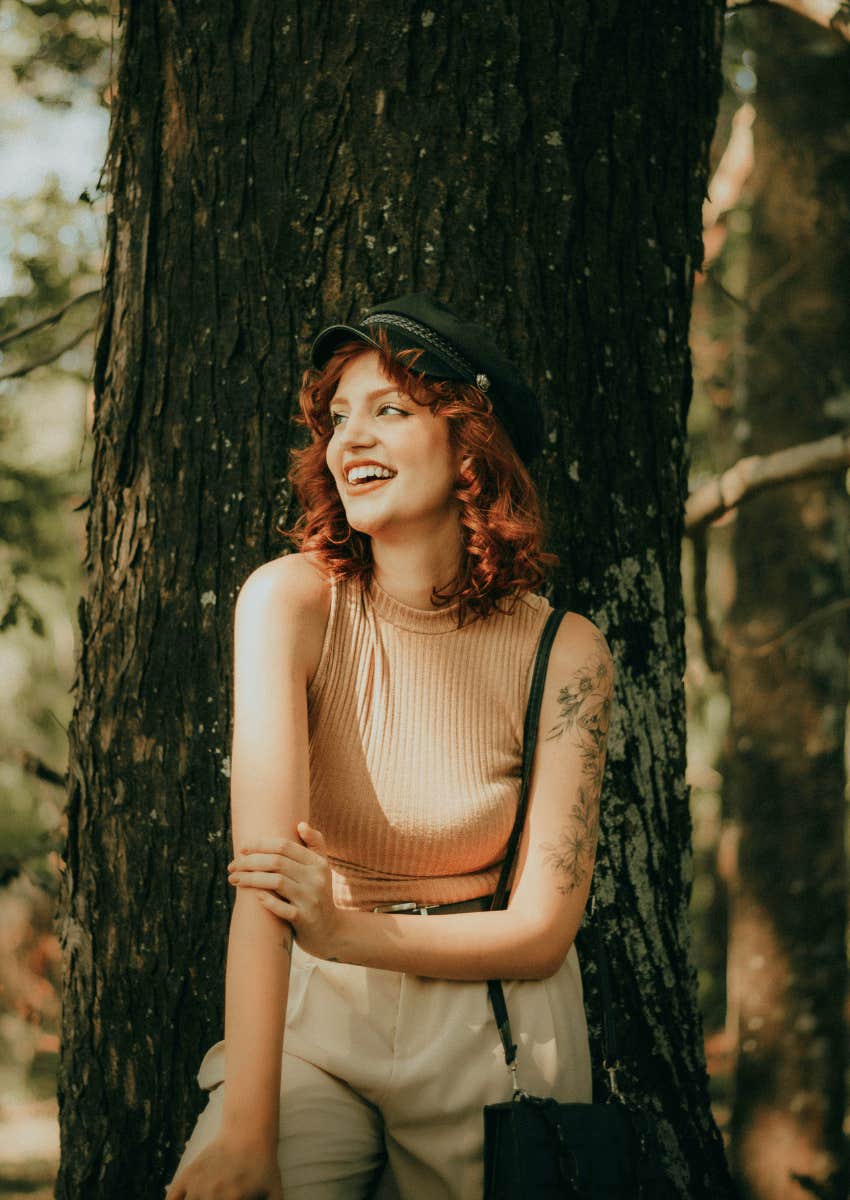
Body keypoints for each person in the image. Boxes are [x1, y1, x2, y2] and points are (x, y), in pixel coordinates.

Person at [166, 293, 614, 1200]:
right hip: (317, 1018)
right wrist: (250, 1130)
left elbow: (540, 934)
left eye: (390, 411)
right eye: (338, 418)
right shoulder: (288, 603)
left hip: (496, 1032)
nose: (349, 440)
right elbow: (264, 884)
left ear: (470, 448)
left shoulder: (566, 651)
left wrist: (338, 926)